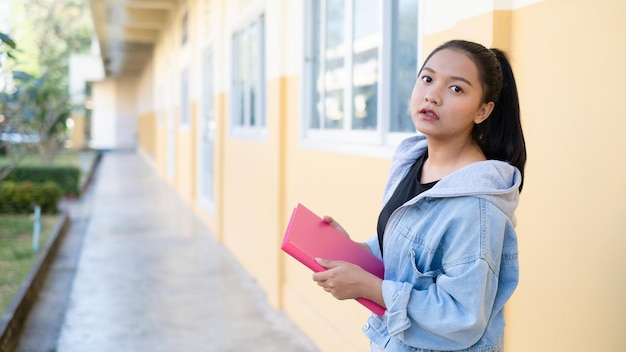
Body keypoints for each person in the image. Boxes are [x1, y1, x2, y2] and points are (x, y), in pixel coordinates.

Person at [312, 39, 526, 352]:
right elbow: (410, 254)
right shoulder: (414, 161)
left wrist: (370, 288)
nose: (432, 95)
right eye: (427, 78)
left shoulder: (476, 208)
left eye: (456, 89)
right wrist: (356, 251)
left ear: (483, 110)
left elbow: (462, 318)